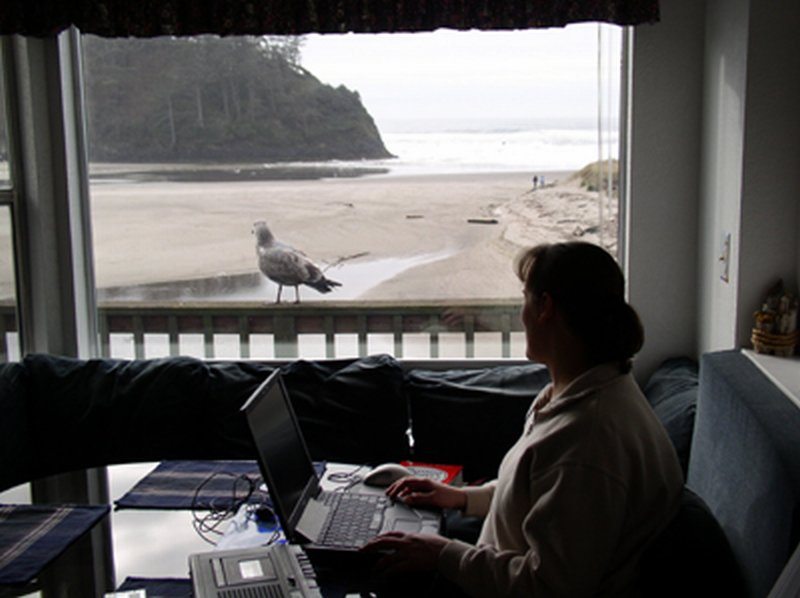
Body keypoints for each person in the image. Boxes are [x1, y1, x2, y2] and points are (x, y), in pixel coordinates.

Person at [363, 241, 683, 597]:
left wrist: (444, 555)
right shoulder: (582, 392)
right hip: (487, 565)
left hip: (488, 585)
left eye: (525, 298)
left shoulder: (588, 438)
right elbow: (540, 498)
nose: (521, 313)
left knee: (367, 568)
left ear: (545, 307)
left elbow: (549, 587)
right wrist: (461, 498)